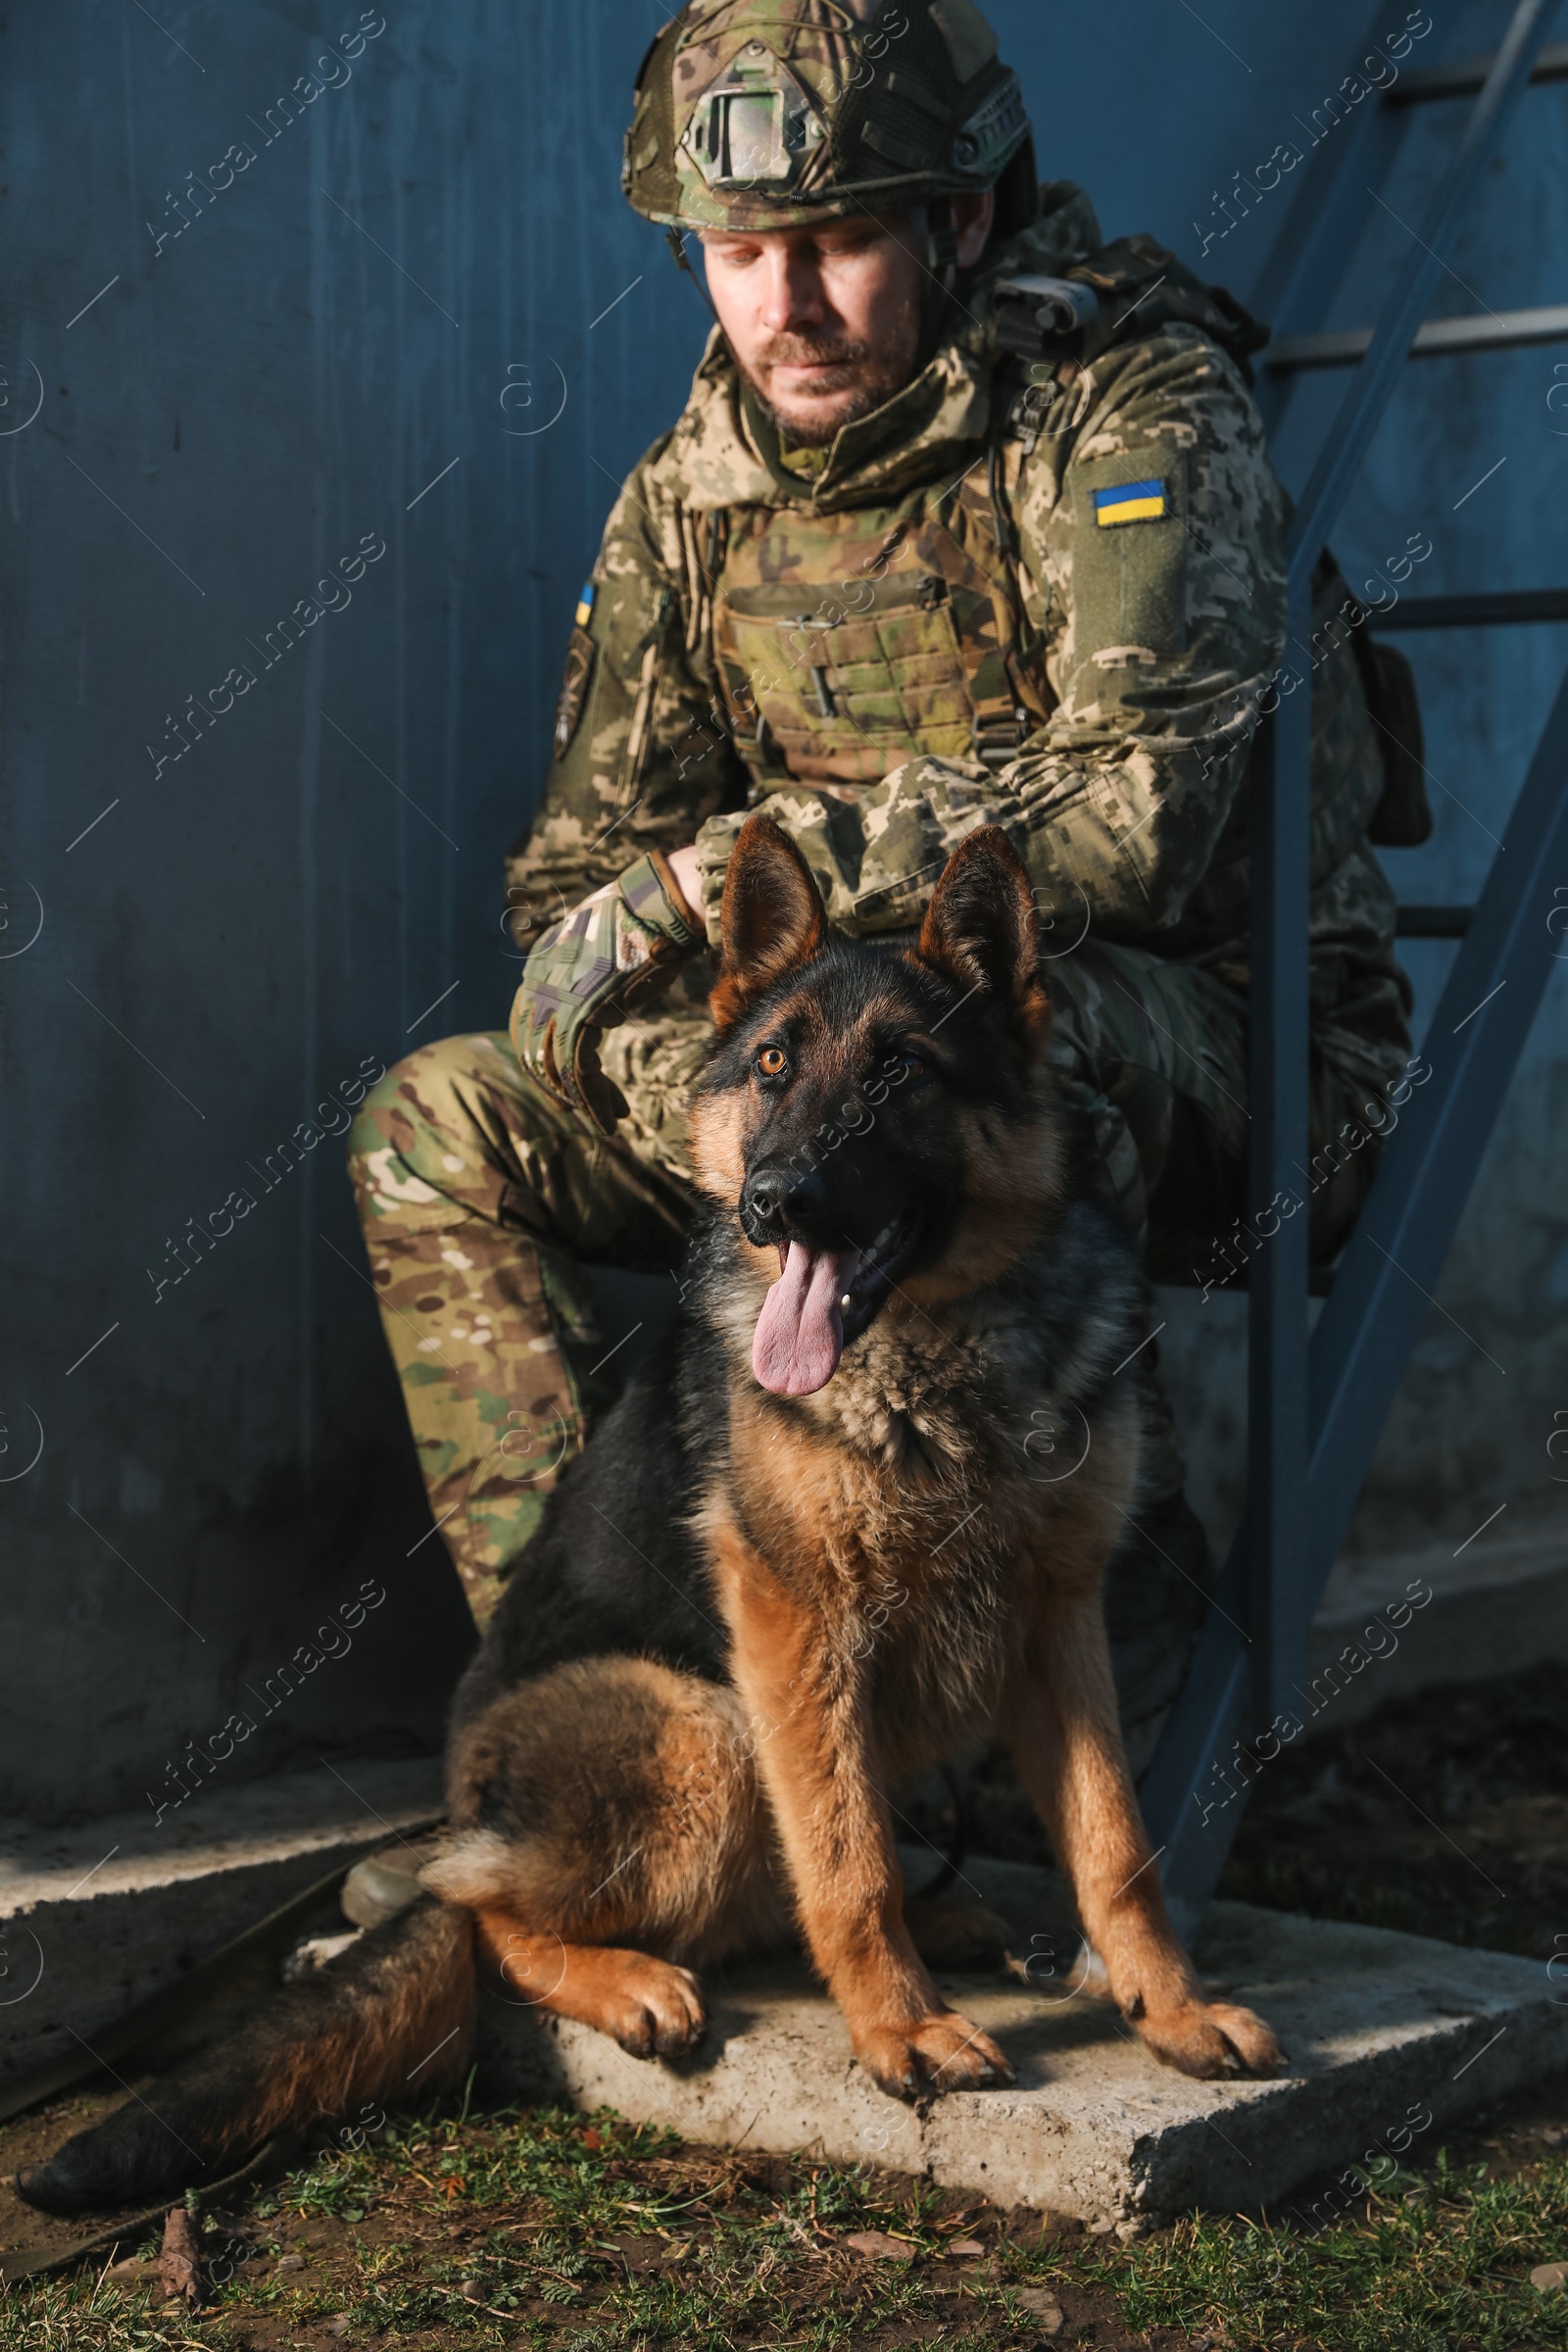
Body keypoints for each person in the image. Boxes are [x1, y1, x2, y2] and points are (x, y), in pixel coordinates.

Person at [349, 0, 1412, 1767]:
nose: (789, 309)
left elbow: (1142, 814)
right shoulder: (695, 494)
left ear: (964, 219)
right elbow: (578, 891)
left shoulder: (1127, 407)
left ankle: (1109, 1751)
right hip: (820, 1089)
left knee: (1016, 1084)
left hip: (1234, 1046)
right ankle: (619, 1711)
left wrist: (780, 866)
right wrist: (668, 1066)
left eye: (839, 242)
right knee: (430, 1126)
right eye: (741, 253)